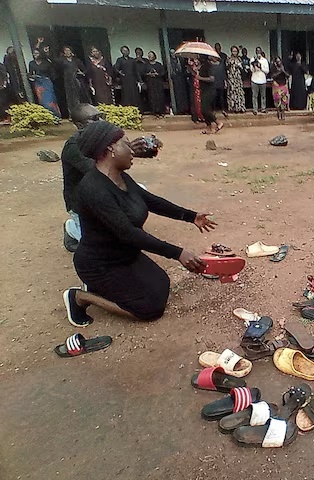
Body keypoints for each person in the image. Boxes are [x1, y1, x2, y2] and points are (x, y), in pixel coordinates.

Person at [63, 121, 215, 326]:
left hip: (126, 255)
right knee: (150, 309)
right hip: (100, 264)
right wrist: (177, 253)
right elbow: (129, 233)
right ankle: (80, 297)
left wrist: (191, 216)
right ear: (111, 149)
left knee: (162, 284)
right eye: (127, 145)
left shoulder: (120, 177)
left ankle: (99, 288)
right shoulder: (93, 189)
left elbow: (150, 200)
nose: (133, 151)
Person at [61, 103, 163, 252]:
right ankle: (72, 229)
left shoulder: (101, 139)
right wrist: (128, 151)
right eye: (95, 118)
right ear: (79, 125)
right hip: (82, 203)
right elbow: (100, 171)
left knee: (139, 191)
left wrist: (147, 148)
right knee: (103, 246)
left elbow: (118, 157)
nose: (101, 121)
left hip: (101, 194)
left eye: (101, 116)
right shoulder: (74, 146)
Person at [57, 46, 91, 115]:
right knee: (70, 97)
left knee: (79, 96)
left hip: (77, 80)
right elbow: (57, 67)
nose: (67, 52)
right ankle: (72, 114)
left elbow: (85, 69)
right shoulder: (62, 61)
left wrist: (82, 73)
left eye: (68, 50)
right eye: (65, 51)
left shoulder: (76, 60)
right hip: (68, 81)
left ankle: (82, 113)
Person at [28, 48, 61, 116]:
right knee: (41, 100)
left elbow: (53, 73)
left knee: (50, 100)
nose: (35, 55)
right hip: (38, 83)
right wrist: (32, 77)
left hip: (46, 82)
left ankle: (55, 115)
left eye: (37, 53)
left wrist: (48, 78)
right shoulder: (31, 63)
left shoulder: (46, 62)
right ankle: (46, 116)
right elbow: (30, 73)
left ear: (40, 54)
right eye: (34, 53)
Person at [197, 56, 224, 134]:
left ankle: (218, 122)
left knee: (205, 109)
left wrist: (200, 78)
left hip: (210, 91)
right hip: (204, 90)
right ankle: (209, 127)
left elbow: (212, 79)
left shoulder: (208, 66)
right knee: (203, 110)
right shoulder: (202, 66)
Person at [144, 51, 166, 117]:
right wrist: (149, 74)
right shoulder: (146, 65)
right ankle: (154, 111)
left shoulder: (158, 64)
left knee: (160, 96)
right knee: (152, 97)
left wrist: (157, 74)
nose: (150, 56)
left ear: (154, 56)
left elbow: (163, 73)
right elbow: (144, 73)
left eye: (151, 55)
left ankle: (161, 111)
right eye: (149, 55)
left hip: (158, 82)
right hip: (151, 82)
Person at [226, 45, 246, 113]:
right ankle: (233, 108)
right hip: (231, 78)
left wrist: (240, 66)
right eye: (233, 51)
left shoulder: (239, 59)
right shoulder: (228, 59)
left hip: (238, 78)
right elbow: (226, 68)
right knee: (232, 93)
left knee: (239, 92)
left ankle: (240, 107)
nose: (234, 52)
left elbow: (243, 68)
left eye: (236, 51)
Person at [169, 48, 190, 114]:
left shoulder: (180, 59)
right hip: (175, 79)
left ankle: (185, 109)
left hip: (182, 78)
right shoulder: (169, 61)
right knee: (177, 95)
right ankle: (179, 110)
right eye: (171, 53)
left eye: (174, 53)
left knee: (184, 95)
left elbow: (184, 68)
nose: (173, 54)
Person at [251, 47, 269, 114]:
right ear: (255, 52)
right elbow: (251, 70)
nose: (258, 52)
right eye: (257, 51)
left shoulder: (264, 60)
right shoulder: (252, 59)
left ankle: (263, 108)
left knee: (263, 95)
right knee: (254, 96)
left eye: (259, 51)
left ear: (261, 51)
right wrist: (254, 66)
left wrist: (261, 67)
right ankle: (255, 109)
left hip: (262, 80)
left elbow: (267, 71)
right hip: (254, 79)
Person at [271, 56, 290, 121]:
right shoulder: (273, 68)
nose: (279, 62)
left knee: (284, 100)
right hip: (277, 85)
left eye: (279, 61)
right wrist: (279, 72)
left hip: (283, 85)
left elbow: (288, 75)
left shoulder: (283, 67)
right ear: (275, 62)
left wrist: (283, 71)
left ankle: (283, 114)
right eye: (277, 61)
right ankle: (279, 113)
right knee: (277, 100)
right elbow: (272, 76)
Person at [188, 58, 204, 123]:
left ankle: (202, 116)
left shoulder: (203, 66)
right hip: (194, 86)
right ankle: (196, 117)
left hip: (201, 85)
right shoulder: (190, 67)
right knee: (195, 102)